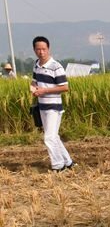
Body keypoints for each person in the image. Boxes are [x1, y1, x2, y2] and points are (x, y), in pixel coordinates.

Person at [31, 36, 75, 172]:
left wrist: (45, 90)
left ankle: (58, 165)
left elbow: (64, 87)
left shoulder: (56, 66)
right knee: (54, 136)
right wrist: (33, 89)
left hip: (53, 107)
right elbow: (34, 82)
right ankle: (68, 162)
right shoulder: (36, 65)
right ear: (34, 50)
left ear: (48, 49)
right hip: (42, 106)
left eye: (44, 49)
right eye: (38, 49)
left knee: (49, 137)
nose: (41, 52)